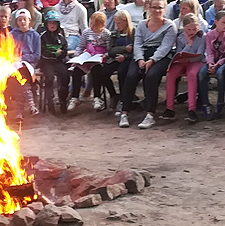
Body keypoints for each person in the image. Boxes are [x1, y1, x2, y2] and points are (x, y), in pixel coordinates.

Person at [119, 0, 176, 129]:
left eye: (160, 8)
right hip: (142, 54)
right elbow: (137, 43)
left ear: (165, 9)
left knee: (151, 76)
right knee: (131, 75)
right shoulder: (141, 24)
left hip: (160, 56)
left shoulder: (169, 26)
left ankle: (150, 114)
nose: (157, 10)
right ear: (148, 8)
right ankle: (124, 111)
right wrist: (139, 59)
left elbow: (165, 47)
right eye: (154, 7)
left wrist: (152, 60)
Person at [163, 13, 207, 123]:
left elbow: (200, 54)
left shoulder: (203, 37)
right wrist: (189, 44)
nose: (192, 32)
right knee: (170, 74)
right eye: (189, 29)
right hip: (182, 61)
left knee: (191, 75)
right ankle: (169, 108)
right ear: (184, 28)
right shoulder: (180, 37)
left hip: (195, 61)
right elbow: (179, 53)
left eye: (194, 29)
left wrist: (191, 45)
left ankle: (191, 109)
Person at [76, 12, 112, 112]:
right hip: (88, 56)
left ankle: (97, 97)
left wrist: (106, 56)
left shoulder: (107, 34)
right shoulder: (87, 32)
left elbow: (109, 49)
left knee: (97, 70)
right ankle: (74, 97)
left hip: (99, 58)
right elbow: (81, 46)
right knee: (76, 70)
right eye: (91, 23)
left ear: (102, 25)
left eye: (95, 25)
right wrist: (77, 55)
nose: (92, 26)